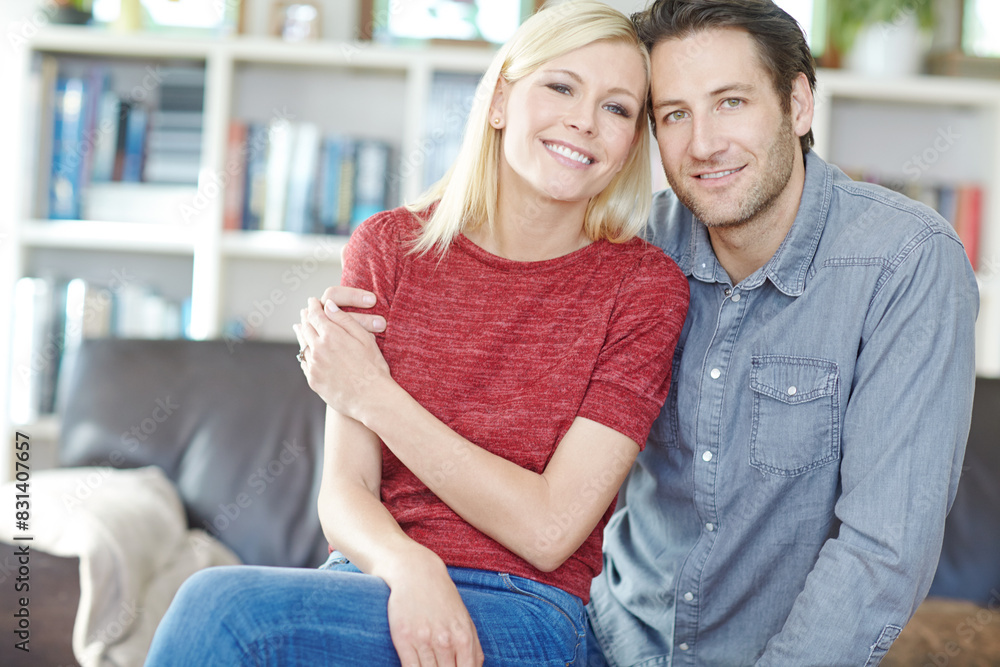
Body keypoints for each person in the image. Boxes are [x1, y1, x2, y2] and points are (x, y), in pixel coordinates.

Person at [328, 0, 981, 665]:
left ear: (799, 104)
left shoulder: (905, 262)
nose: (703, 143)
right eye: (673, 114)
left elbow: (882, 551)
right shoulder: (632, 253)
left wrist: (372, 395)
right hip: (607, 643)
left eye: (731, 102)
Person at [144, 2, 689, 665]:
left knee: (218, 610)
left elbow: (550, 529)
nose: (584, 119)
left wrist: (374, 395)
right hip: (375, 578)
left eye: (618, 108)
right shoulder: (390, 247)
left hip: (527, 607)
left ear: (632, 140)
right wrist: (408, 566)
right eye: (561, 85)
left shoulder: (644, 288)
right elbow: (344, 492)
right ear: (500, 100)